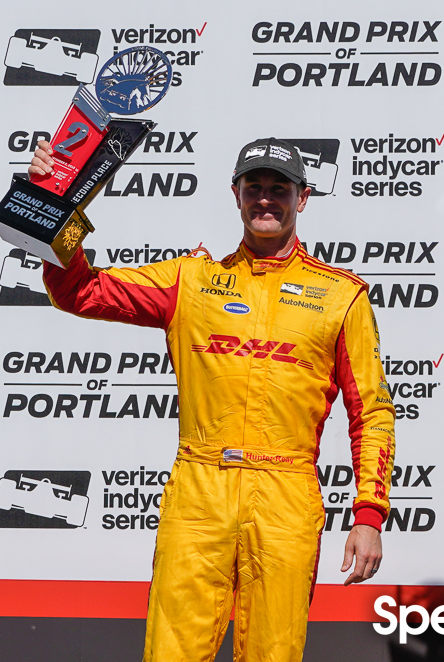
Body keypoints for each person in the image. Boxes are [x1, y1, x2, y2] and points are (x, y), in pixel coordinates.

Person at [30, 137, 396, 662]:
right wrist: (60, 199)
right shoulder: (191, 280)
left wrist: (368, 515)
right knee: (171, 653)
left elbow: (372, 414)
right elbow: (80, 292)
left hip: (286, 495)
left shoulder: (342, 295)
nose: (265, 199)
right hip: (199, 491)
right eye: (254, 188)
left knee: (274, 653)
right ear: (236, 194)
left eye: (279, 188)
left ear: (303, 198)